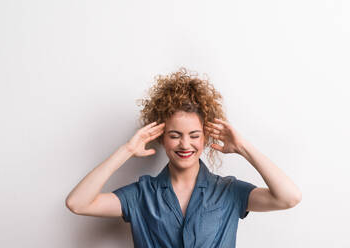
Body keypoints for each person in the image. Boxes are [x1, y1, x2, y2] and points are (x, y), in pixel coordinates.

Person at [65, 67, 302, 248]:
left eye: (194, 135)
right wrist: (126, 150)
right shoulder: (141, 195)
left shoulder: (229, 192)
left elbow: (289, 198)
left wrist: (243, 147)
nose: (185, 144)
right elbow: (78, 203)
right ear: (162, 137)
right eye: (175, 135)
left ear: (205, 137)